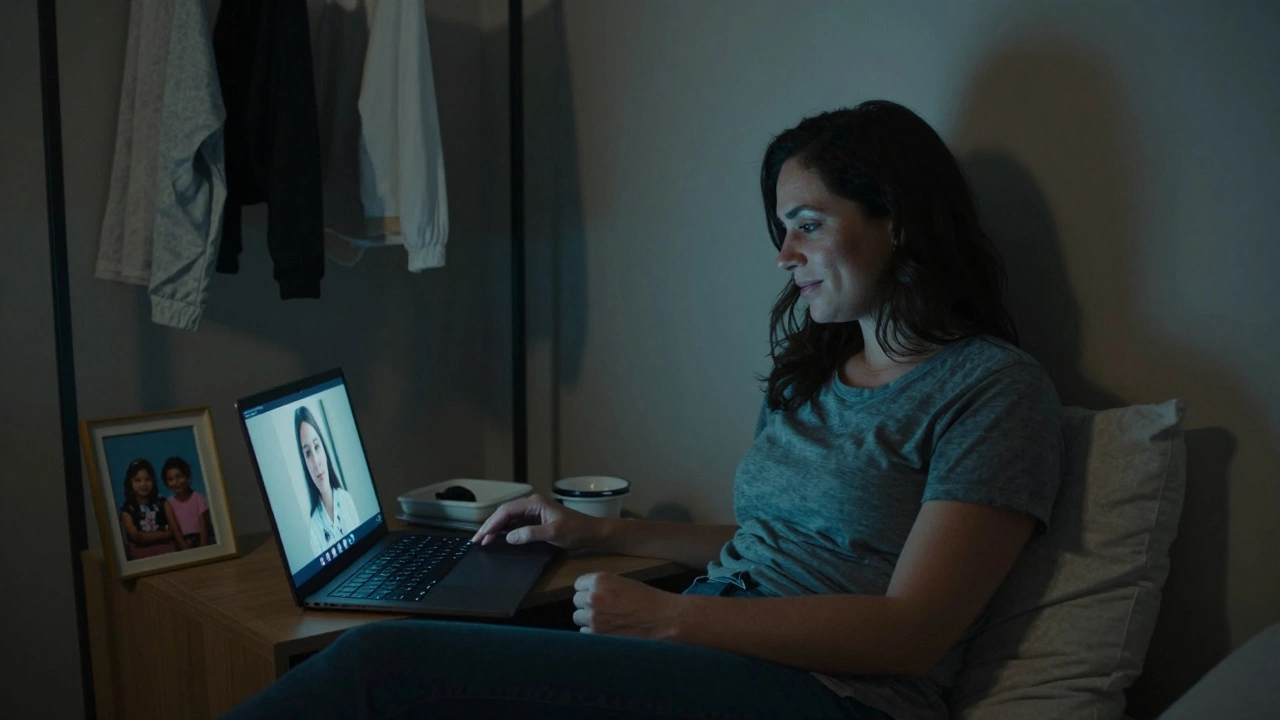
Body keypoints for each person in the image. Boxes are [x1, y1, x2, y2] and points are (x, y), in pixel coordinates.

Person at [223, 100, 1063, 720]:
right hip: (723, 638)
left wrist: (673, 619)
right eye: (780, 229)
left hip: (837, 696)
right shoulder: (819, 369)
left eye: (808, 225)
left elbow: (910, 631)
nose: (784, 255)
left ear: (899, 223)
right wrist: (595, 534)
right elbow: (772, 543)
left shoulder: (991, 389)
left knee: (378, 666)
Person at [296, 405, 360, 554]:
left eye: (317, 447)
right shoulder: (314, 527)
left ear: (324, 450)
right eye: (307, 453)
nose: (316, 461)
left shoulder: (346, 499)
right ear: (304, 463)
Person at [118, 458, 180, 561]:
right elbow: (136, 537)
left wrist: (149, 536)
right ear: (130, 483)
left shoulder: (162, 502)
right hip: (140, 553)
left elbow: (173, 530)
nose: (143, 484)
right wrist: (163, 534)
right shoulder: (128, 509)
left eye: (147, 479)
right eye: (138, 480)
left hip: (166, 550)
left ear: (153, 481)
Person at [162, 456, 212, 550]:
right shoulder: (168, 504)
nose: (176, 482)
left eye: (179, 476)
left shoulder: (198, 498)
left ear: (187, 476)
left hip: (200, 540)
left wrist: (203, 547)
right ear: (166, 483)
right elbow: (175, 529)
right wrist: (184, 547)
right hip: (181, 543)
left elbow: (204, 526)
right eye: (171, 479)